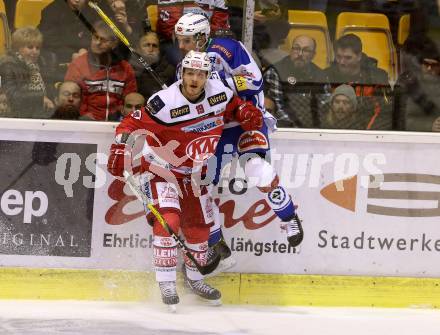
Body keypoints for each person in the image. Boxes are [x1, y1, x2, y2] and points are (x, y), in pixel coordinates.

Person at [106, 51, 262, 311]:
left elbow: (234, 106)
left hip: (194, 173)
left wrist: (245, 112)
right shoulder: (164, 103)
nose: (194, 78)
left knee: (199, 229)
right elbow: (128, 124)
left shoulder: (219, 93)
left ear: (207, 76)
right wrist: (120, 148)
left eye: (200, 74)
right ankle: (166, 283)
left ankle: (195, 279)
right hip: (160, 169)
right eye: (190, 73)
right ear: (182, 74)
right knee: (169, 222)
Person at [174, 13, 304, 270]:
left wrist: (218, 83)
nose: (181, 46)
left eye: (186, 40)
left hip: (246, 122)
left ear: (201, 37)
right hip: (217, 130)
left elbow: (254, 80)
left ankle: (288, 216)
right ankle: (216, 243)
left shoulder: (227, 48)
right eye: (179, 40)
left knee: (256, 168)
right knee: (200, 184)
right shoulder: (185, 65)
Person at [64, 21, 137, 121]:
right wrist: (85, 117)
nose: (97, 42)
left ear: (114, 43)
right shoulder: (78, 65)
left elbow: (131, 99)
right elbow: (72, 99)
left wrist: (120, 116)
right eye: (95, 37)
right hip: (86, 124)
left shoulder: (125, 68)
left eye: (103, 40)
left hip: (117, 124)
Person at [324, 34, 391, 130]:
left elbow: (384, 111)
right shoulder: (326, 76)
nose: (342, 62)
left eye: (348, 58)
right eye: (338, 57)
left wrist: (366, 134)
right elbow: (322, 109)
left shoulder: (376, 78)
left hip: (368, 132)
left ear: (359, 56)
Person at [264, 35, 326, 127]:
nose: (300, 54)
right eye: (296, 48)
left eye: (306, 50)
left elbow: (324, 105)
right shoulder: (276, 71)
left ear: (313, 55)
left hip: (313, 129)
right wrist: (297, 128)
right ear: (291, 50)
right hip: (283, 128)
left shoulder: (320, 75)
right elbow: (278, 108)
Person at [0, 27, 55, 119]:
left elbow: (49, 90)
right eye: (30, 47)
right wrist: (40, 98)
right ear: (18, 48)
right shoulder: (8, 65)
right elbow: (11, 96)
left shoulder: (41, 64)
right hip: (17, 115)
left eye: (37, 48)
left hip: (39, 113)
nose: (35, 51)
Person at [131, 32, 176, 99]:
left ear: (159, 50)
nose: (151, 49)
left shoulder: (170, 70)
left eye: (154, 46)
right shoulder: (130, 68)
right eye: (147, 45)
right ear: (138, 48)